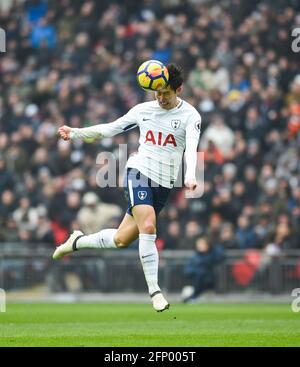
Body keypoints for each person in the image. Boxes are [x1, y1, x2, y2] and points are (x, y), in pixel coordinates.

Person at [53, 64, 201, 312]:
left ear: (179, 89)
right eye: (157, 93)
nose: (161, 98)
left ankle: (77, 242)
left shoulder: (191, 116)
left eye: (166, 92)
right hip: (139, 172)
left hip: (163, 184)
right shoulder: (143, 111)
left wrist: (192, 175)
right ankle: (155, 291)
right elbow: (109, 129)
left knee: (121, 239)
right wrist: (75, 133)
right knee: (149, 226)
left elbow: (192, 149)